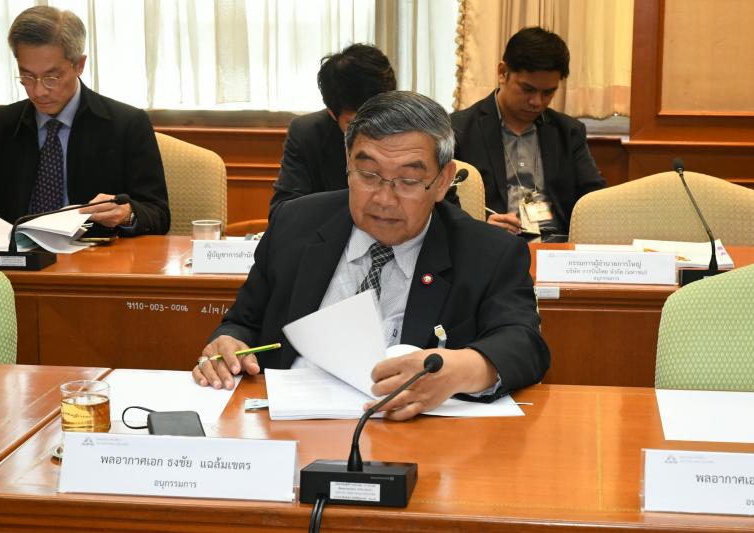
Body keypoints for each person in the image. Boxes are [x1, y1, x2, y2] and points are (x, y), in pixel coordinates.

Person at [194, 91, 550, 421]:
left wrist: (458, 369)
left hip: (414, 435)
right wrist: (228, 344)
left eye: (408, 181)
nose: (383, 198)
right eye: (368, 174)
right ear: (348, 165)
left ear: (443, 181)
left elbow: (523, 344)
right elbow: (243, 322)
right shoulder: (295, 223)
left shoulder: (488, 252)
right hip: (294, 426)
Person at [0, 6, 170, 237]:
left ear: (79, 65)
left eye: (52, 77)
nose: (38, 91)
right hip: (14, 255)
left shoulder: (127, 125)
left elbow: (158, 214)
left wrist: (127, 214)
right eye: (27, 76)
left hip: (95, 255)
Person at [451, 26, 605, 241]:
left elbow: (595, 198)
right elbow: (442, 202)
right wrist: (479, 225)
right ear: (503, 73)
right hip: (492, 243)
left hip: (557, 245)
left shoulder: (568, 132)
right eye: (528, 89)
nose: (537, 102)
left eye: (548, 92)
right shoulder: (459, 130)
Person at [268, 43, 397, 214]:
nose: (372, 129)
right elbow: (283, 212)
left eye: (379, 115)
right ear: (332, 114)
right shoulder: (308, 134)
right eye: (355, 123)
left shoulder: (418, 131)